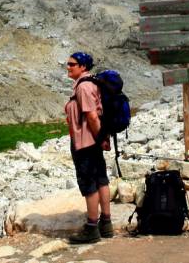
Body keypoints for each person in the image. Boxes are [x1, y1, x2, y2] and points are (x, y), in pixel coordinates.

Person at [64, 51, 112, 244]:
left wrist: (100, 138)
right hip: (93, 140)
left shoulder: (83, 87)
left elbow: (92, 116)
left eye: (72, 64)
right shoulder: (91, 83)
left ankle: (92, 228)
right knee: (101, 178)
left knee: (88, 181)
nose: (68, 67)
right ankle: (106, 224)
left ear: (83, 67)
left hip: (85, 142)